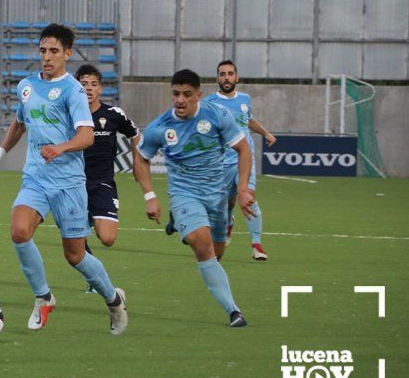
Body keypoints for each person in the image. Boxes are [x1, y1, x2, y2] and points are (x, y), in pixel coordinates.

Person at [0, 24, 128, 336]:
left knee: (75, 255)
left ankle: (113, 300)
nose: (47, 57)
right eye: (43, 50)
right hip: (36, 179)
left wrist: (61, 147)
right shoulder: (27, 86)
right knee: (19, 231)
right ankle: (43, 297)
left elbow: (86, 136)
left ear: (67, 54)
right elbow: (19, 123)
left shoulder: (73, 90)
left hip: (70, 183)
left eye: (54, 51)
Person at [132, 68, 252, 327]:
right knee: (203, 246)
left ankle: (196, 221)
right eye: (175, 94)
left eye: (187, 94)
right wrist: (150, 195)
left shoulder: (217, 116)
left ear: (199, 95)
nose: (180, 100)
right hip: (184, 193)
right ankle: (233, 311)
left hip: (217, 196)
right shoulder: (160, 127)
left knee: (216, 254)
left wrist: (242, 188)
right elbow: (141, 158)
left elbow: (243, 149)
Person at [75, 64, 140, 293]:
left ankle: (88, 223)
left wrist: (139, 163)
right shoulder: (69, 115)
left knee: (108, 238)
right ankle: (95, 280)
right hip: (74, 185)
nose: (89, 89)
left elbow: (135, 133)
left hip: (103, 184)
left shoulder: (113, 115)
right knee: (75, 238)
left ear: (100, 89)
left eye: (94, 84)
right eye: (84, 84)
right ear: (77, 88)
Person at [202, 60, 275, 260]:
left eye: (230, 74)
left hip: (244, 159)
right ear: (217, 78)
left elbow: (248, 120)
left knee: (248, 198)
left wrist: (265, 133)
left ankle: (257, 245)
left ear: (236, 77)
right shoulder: (209, 103)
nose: (226, 77)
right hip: (221, 162)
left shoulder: (245, 99)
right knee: (226, 204)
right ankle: (228, 222)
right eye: (222, 74)